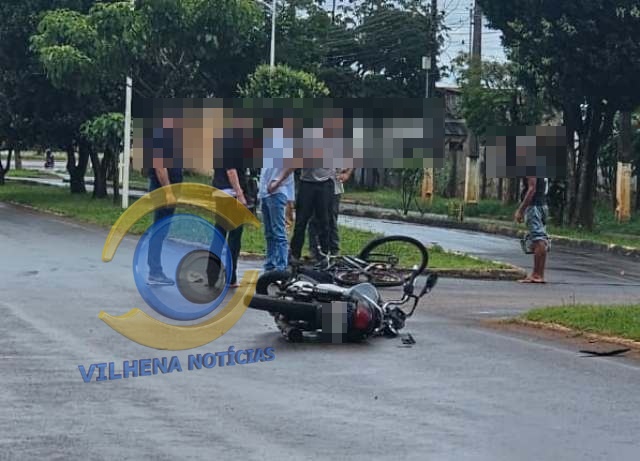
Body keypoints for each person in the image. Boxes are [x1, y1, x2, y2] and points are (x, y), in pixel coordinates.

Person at [206, 115, 252, 289]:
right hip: (231, 194)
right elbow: (231, 170)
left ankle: (211, 275)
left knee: (219, 234)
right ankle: (231, 277)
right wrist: (240, 194)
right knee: (234, 237)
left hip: (220, 192)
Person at [146, 110, 184, 286]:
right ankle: (154, 271)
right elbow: (160, 167)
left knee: (162, 229)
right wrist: (168, 192)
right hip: (163, 191)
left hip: (168, 190)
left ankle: (155, 270)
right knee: (159, 230)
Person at [258, 116, 295, 272]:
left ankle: (281, 266)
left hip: (277, 192)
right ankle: (270, 263)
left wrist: (278, 181)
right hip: (265, 193)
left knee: (278, 232)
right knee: (269, 232)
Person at [308, 167, 352, 259]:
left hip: (333, 186)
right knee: (313, 218)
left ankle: (333, 251)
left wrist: (347, 173)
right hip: (313, 185)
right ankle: (315, 251)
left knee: (330, 218)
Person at [515, 176, 550, 283]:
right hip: (542, 205)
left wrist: (521, 210)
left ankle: (537, 275)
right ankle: (538, 274)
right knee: (539, 239)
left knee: (538, 239)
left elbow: (532, 189)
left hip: (534, 207)